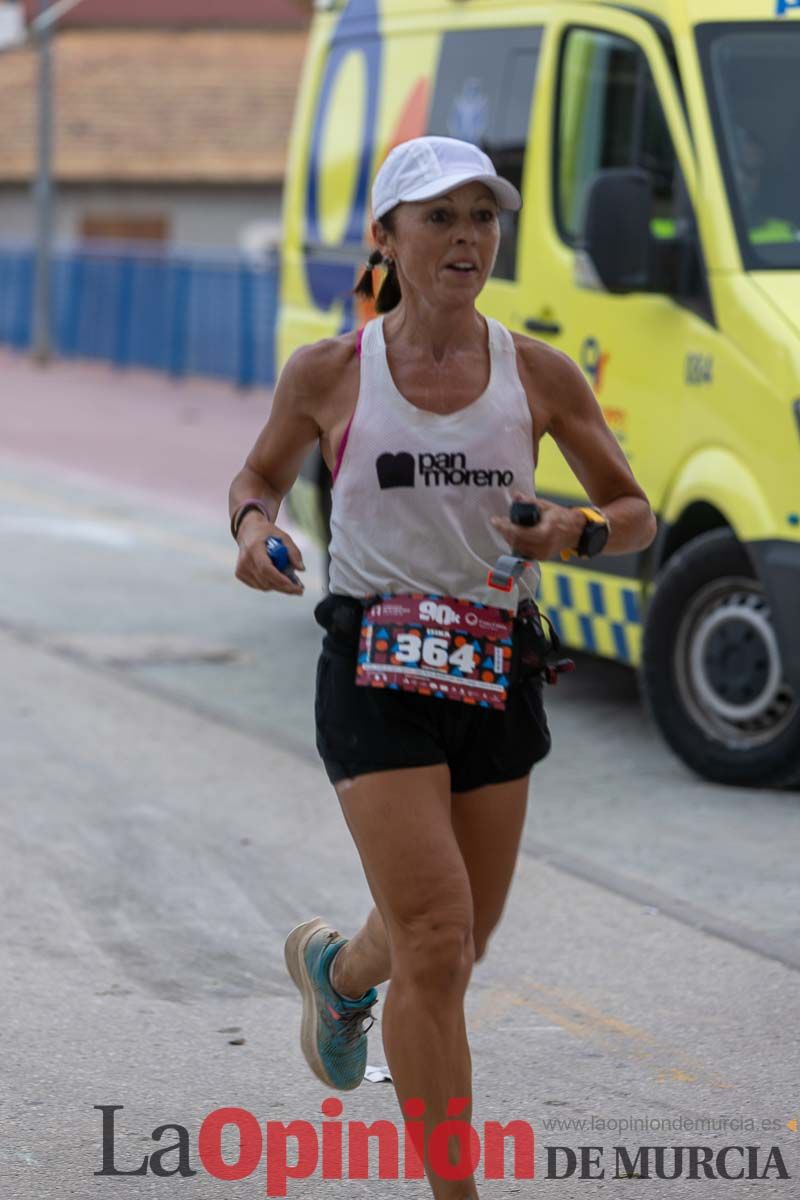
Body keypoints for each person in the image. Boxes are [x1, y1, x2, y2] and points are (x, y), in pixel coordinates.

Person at [228, 135, 657, 1200]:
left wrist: (575, 534)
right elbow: (258, 476)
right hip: (372, 664)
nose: (466, 238)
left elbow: (633, 512)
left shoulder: (538, 372)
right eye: (438, 218)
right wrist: (251, 532)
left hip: (492, 665)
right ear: (385, 238)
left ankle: (337, 975)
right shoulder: (331, 371)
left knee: (450, 946)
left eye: (481, 217)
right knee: (433, 931)